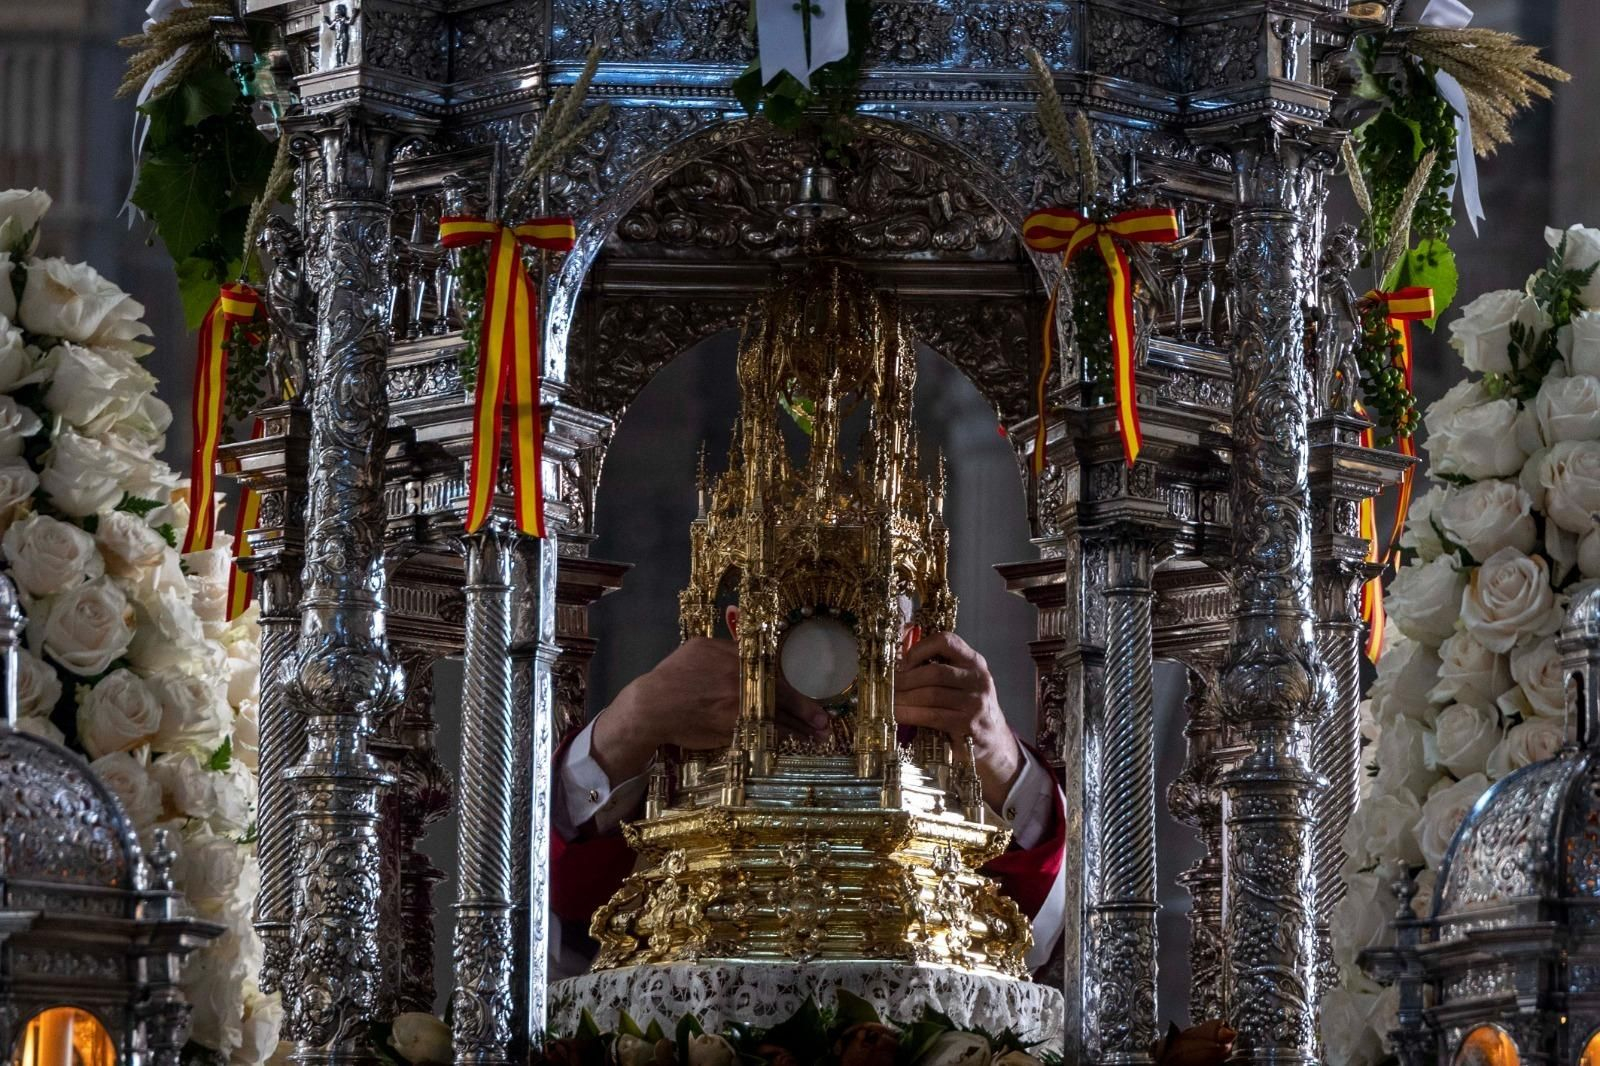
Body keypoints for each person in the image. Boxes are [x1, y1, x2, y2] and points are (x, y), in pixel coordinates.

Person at [549, 609, 1066, 978]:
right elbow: (551, 916)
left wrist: (999, 758)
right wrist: (631, 722)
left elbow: (1040, 939)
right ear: (736, 626)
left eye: (865, 618)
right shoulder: (679, 721)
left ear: (909, 638)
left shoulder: (947, 735)